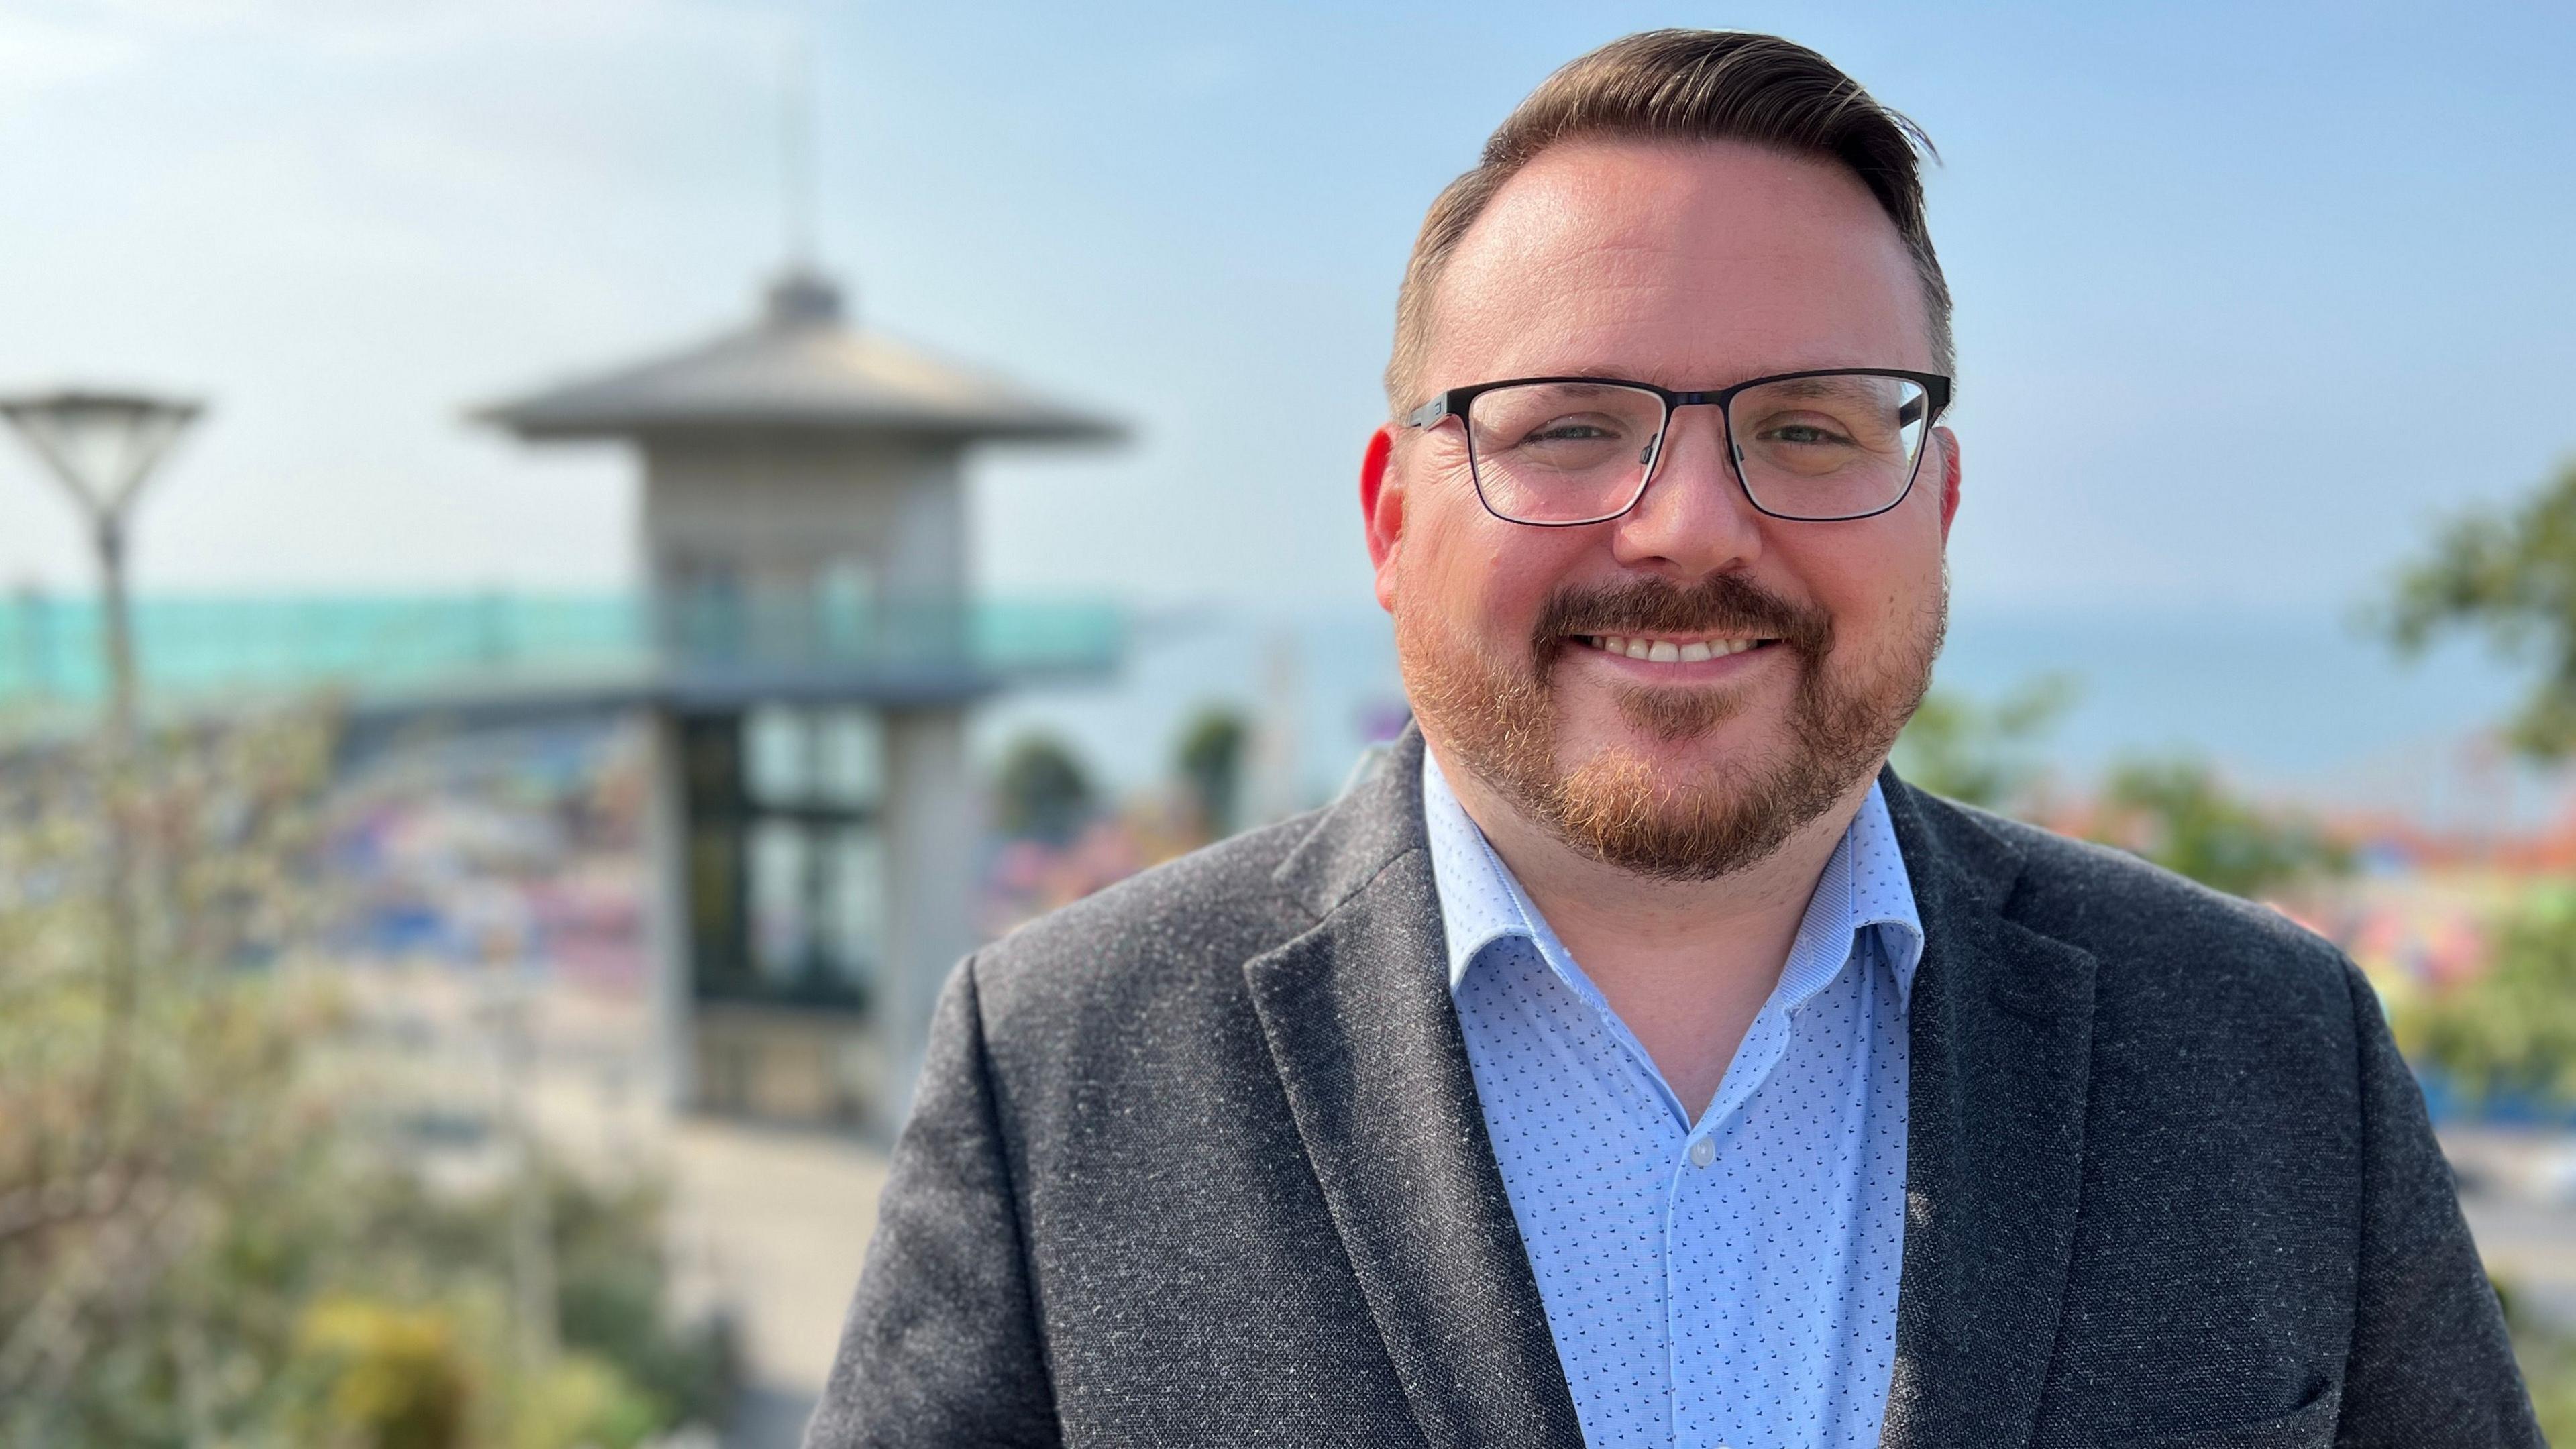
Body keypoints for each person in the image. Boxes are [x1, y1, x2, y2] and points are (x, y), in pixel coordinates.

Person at [804, 29, 2540, 1449]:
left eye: (1808, 425)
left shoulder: (2272, 1055)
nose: (1689, 525)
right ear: (1392, 522)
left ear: (1937, 504)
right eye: (1567, 428)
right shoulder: (1062, 1074)